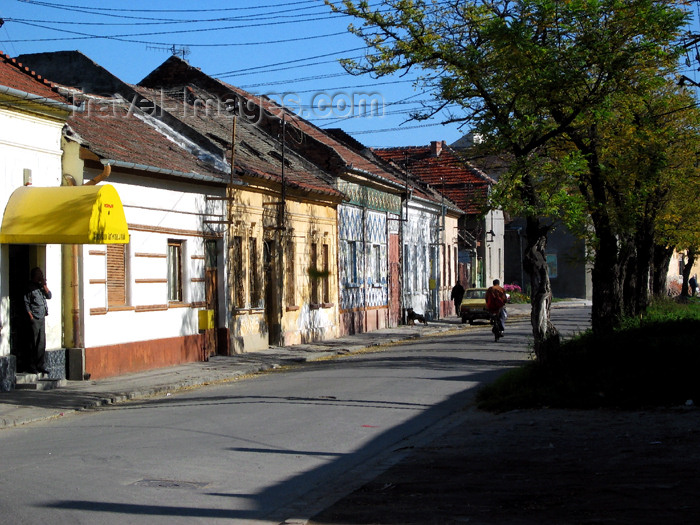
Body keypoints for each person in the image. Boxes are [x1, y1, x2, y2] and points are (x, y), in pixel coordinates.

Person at [23, 267, 52, 374]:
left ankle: (40, 365)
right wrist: (30, 315)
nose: (42, 275)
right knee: (33, 343)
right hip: (35, 317)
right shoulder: (29, 287)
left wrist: (44, 285)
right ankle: (31, 365)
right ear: (35, 275)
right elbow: (26, 302)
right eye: (40, 274)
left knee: (41, 343)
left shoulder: (40, 287)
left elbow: (49, 296)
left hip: (42, 317)